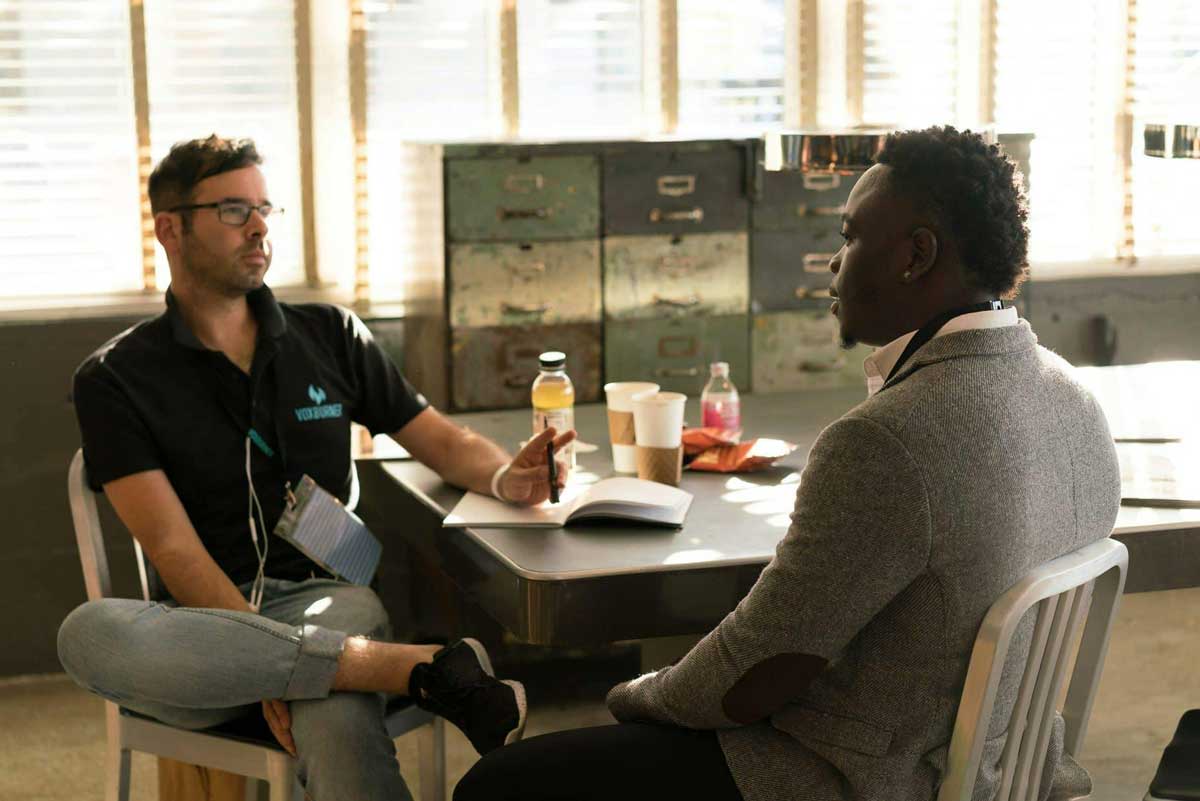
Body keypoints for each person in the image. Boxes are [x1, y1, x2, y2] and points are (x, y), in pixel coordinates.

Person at [454, 126, 1121, 801]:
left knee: (499, 785)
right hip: (1005, 774)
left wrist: (637, 695)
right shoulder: (1075, 400)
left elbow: (755, 675)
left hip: (857, 778)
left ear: (916, 255)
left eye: (851, 236)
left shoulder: (887, 440)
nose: (832, 263)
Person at [57, 134, 573, 801]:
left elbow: (441, 440)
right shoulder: (115, 378)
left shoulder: (329, 333)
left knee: (331, 708)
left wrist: (510, 476)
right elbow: (171, 549)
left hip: (330, 598)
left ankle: (358, 667)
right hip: (200, 635)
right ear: (170, 229)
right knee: (88, 633)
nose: (261, 225)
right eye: (234, 210)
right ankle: (421, 668)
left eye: (265, 208)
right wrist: (268, 660)